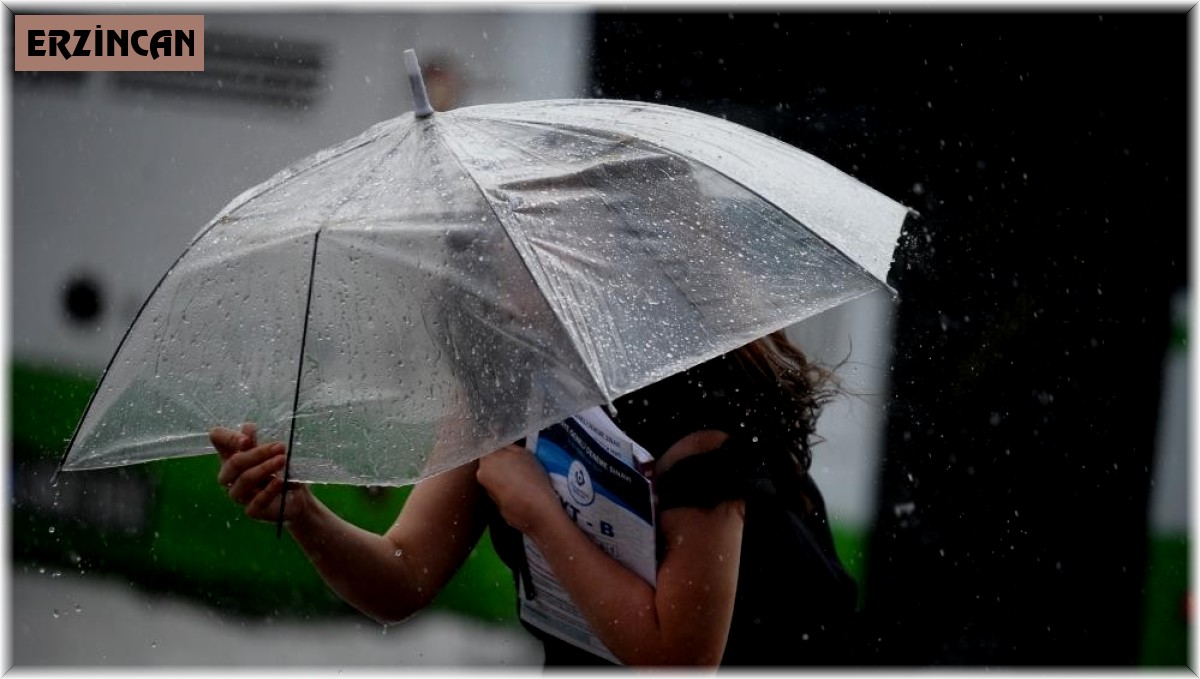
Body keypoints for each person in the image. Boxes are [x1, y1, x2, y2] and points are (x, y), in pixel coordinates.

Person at [211, 330, 858, 667]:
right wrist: (303, 512)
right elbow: (403, 573)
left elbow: (679, 660)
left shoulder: (696, 417)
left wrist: (541, 515)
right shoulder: (503, 382)